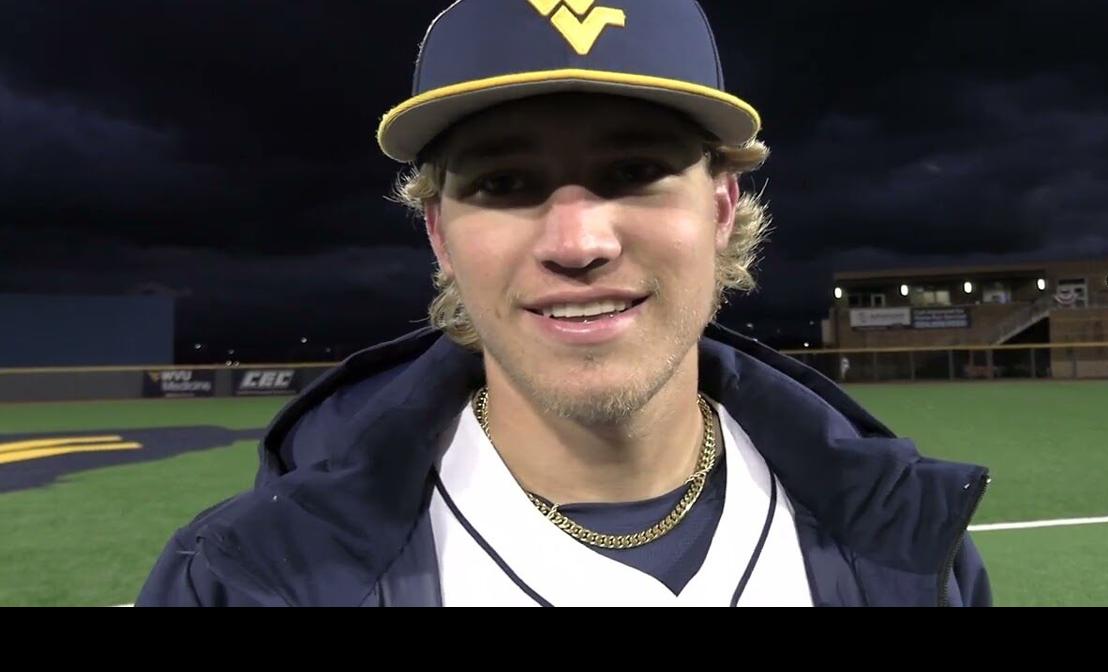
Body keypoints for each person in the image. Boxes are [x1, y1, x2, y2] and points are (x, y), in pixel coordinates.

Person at [136, 0, 991, 607]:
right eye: (505, 184)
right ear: (438, 232)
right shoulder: (246, 577)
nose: (578, 242)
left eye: (634, 172)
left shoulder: (907, 541)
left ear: (721, 209)